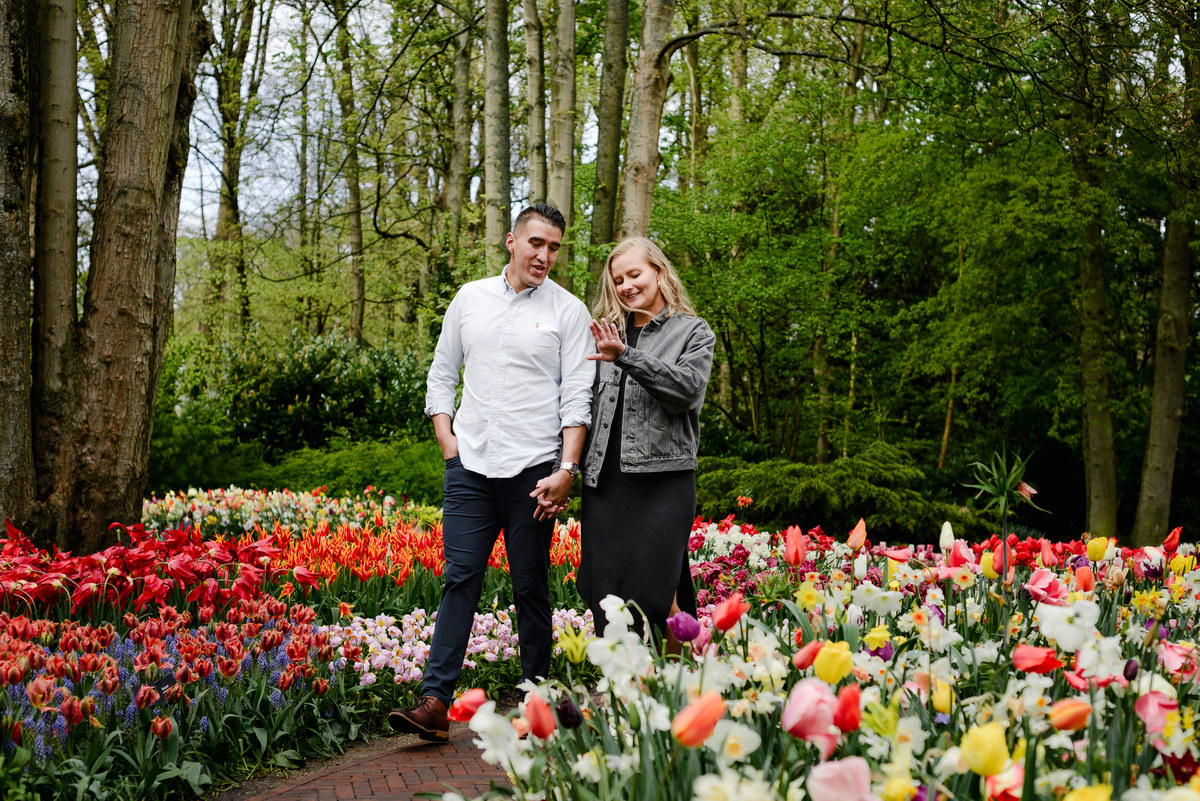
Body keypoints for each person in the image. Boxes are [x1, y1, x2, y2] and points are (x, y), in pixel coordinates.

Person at [388, 203, 593, 741]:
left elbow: (577, 397)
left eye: (554, 247)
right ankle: (435, 703)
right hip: (470, 468)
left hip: (533, 472)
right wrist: (445, 436)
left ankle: (534, 703)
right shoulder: (469, 298)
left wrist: (567, 469)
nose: (544, 256)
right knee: (460, 581)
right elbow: (441, 371)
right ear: (511, 241)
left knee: (530, 586)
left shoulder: (568, 312)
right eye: (536, 244)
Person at [577, 237, 715, 644]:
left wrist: (625, 356)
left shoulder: (693, 332)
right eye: (618, 279)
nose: (626, 286)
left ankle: (678, 686)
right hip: (605, 484)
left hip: (663, 483)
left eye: (634, 274)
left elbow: (688, 390)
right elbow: (579, 405)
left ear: (659, 271)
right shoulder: (604, 333)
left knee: (657, 594)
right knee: (605, 593)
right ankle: (625, 689)